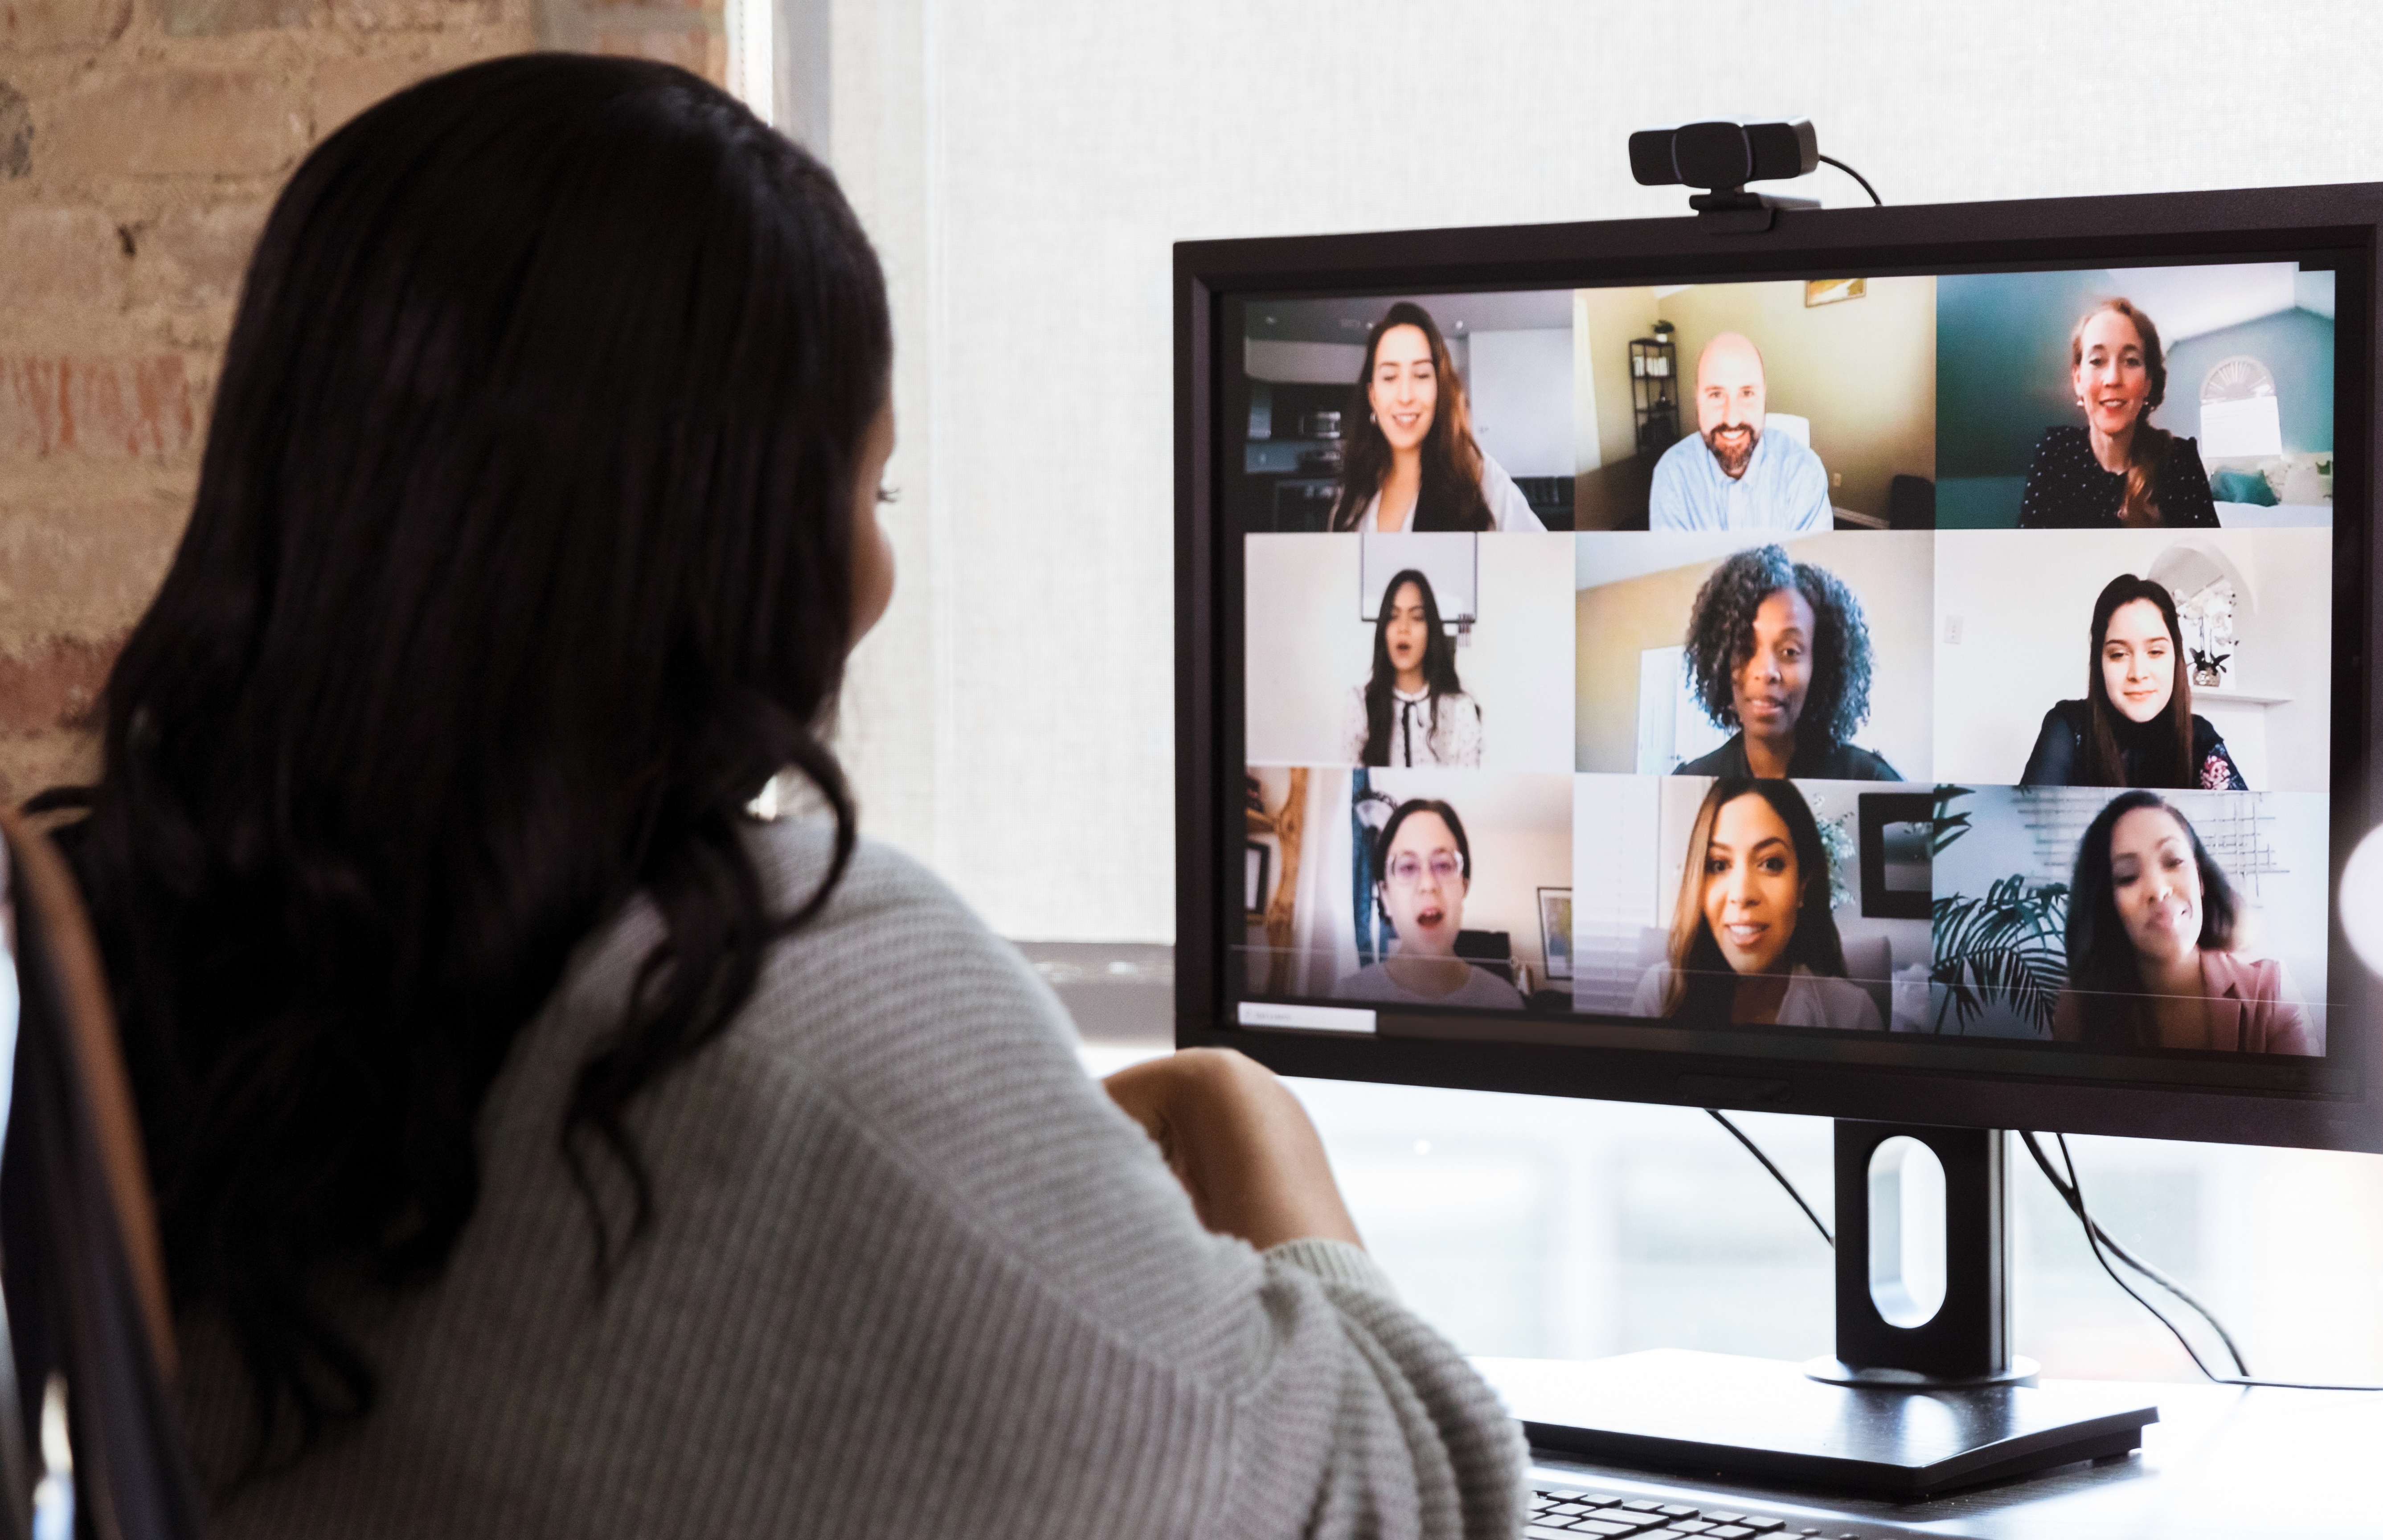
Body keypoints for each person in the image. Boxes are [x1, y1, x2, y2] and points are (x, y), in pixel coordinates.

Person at [25, 56, 1521, 1538]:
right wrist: (1234, 1107)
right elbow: (1426, 1499)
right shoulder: (778, 981)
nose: (877, 578)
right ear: (728, 535)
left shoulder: (129, 944)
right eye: (867, 495)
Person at [2050, 791, 2318, 1055]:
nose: (2158, 889)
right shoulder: (2079, 1005)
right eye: (2128, 876)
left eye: (2174, 861)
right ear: (2107, 904)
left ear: (2200, 879)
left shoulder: (2270, 992)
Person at [1628, 778, 1881, 1031]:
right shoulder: (1661, 995)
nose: (1742, 894)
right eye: (1719, 865)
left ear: (1802, 885)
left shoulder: (1853, 1015)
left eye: (1771, 864)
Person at [1672, 544, 1901, 781]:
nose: (1766, 672)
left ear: (1820, 666)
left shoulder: (1873, 781)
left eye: (1790, 652)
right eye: (1745, 649)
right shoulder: (1690, 781)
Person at [1328, 302, 1545, 533]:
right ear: (1373, 396)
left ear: (1439, 389)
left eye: (1421, 375)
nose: (1405, 396)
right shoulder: (1354, 494)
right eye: (1390, 377)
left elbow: (1548, 561)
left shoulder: (1478, 479)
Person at [2020, 573, 2248, 790]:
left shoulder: (2199, 738)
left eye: (2156, 652)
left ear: (2176, 658)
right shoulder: (2068, 727)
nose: (2138, 674)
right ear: (2099, 662)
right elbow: (2026, 821)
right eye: (2118, 654)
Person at [2016, 297, 2222, 529]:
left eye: (2131, 361)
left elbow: (2203, 562)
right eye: (2097, 361)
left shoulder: (2180, 461)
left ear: (2148, 383)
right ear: (2078, 380)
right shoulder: (2056, 450)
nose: (2113, 379)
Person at [1334, 799, 1525, 1010]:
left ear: (1464, 887)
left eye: (1443, 865)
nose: (1428, 884)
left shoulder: (1506, 1003)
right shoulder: (1345, 999)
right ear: (1386, 897)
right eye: (1407, 867)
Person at [1646, 331, 1834, 533]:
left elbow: (1809, 564)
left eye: (1747, 393)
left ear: (1764, 395)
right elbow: (1675, 563)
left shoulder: (1805, 473)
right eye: (1716, 395)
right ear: (1697, 399)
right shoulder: (1672, 475)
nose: (1732, 418)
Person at [1341, 568, 1483, 767]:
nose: (1403, 628)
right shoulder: (1360, 705)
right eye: (1393, 616)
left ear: (1430, 630)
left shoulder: (1460, 709)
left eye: (1416, 617)